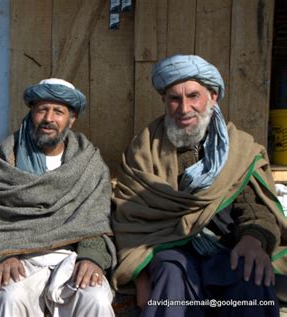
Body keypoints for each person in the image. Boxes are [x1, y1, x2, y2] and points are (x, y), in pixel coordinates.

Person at [111, 54, 287, 317]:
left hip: (226, 246)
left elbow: (255, 207)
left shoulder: (239, 147)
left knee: (251, 272)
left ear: (212, 97)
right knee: (171, 271)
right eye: (174, 98)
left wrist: (254, 239)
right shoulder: (144, 150)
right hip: (168, 248)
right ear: (164, 101)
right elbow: (130, 216)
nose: (184, 108)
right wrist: (141, 277)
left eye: (193, 96)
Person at [0, 78, 115, 317]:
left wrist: (92, 258)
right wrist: (2, 256)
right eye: (42, 110)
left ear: (72, 118)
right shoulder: (4, 160)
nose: (49, 118)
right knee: (10, 295)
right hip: (19, 257)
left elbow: (98, 219)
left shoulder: (89, 163)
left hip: (72, 257)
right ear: (32, 112)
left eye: (58, 111)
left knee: (95, 297)